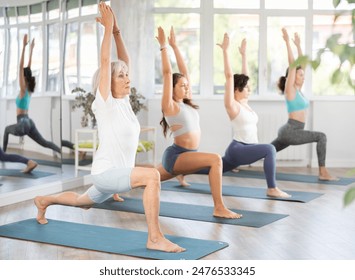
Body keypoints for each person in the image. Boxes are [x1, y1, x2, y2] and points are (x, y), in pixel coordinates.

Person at [34, 2, 184, 253]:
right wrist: (107, 29)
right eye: (121, 76)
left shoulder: (123, 101)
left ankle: (43, 200)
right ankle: (155, 238)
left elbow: (122, 60)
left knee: (83, 202)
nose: (128, 78)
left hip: (116, 177)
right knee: (152, 175)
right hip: (106, 173)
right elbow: (107, 61)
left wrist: (117, 33)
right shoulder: (103, 103)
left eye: (127, 75)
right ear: (107, 82)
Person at [178, 34, 291, 198]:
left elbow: (244, 77)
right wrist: (225, 51)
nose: (249, 89)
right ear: (236, 90)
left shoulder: (244, 102)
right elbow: (230, 77)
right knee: (270, 149)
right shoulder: (232, 105)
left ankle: (183, 172)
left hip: (243, 149)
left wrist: (244, 55)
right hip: (239, 149)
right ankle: (272, 188)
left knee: (215, 167)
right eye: (246, 88)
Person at [155, 26, 241, 219]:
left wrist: (176, 46)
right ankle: (219, 207)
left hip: (187, 156)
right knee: (215, 159)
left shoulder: (186, 103)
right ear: (172, 89)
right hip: (177, 157)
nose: (186, 88)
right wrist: (163, 47)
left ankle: (117, 187)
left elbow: (184, 72)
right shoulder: (170, 106)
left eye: (187, 86)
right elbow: (168, 74)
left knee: (148, 178)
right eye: (182, 86)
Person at [270, 28, 337, 181]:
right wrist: (287, 42)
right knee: (321, 137)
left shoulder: (299, 91)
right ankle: (323, 173)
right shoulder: (290, 90)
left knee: (266, 150)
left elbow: (301, 64)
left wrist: (299, 45)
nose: (303, 77)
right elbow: (293, 64)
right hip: (291, 130)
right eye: (300, 75)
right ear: (292, 77)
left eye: (303, 75)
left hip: (291, 131)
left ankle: (235, 161)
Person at [2, 34, 61, 155]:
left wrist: (24, 47)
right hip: (29, 122)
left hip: (23, 122)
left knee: (6, 130)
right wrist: (31, 50)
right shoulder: (29, 90)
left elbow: (20, 67)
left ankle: (2, 155)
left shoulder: (23, 89)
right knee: (44, 143)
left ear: (24, 77)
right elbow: (28, 67)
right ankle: (59, 150)